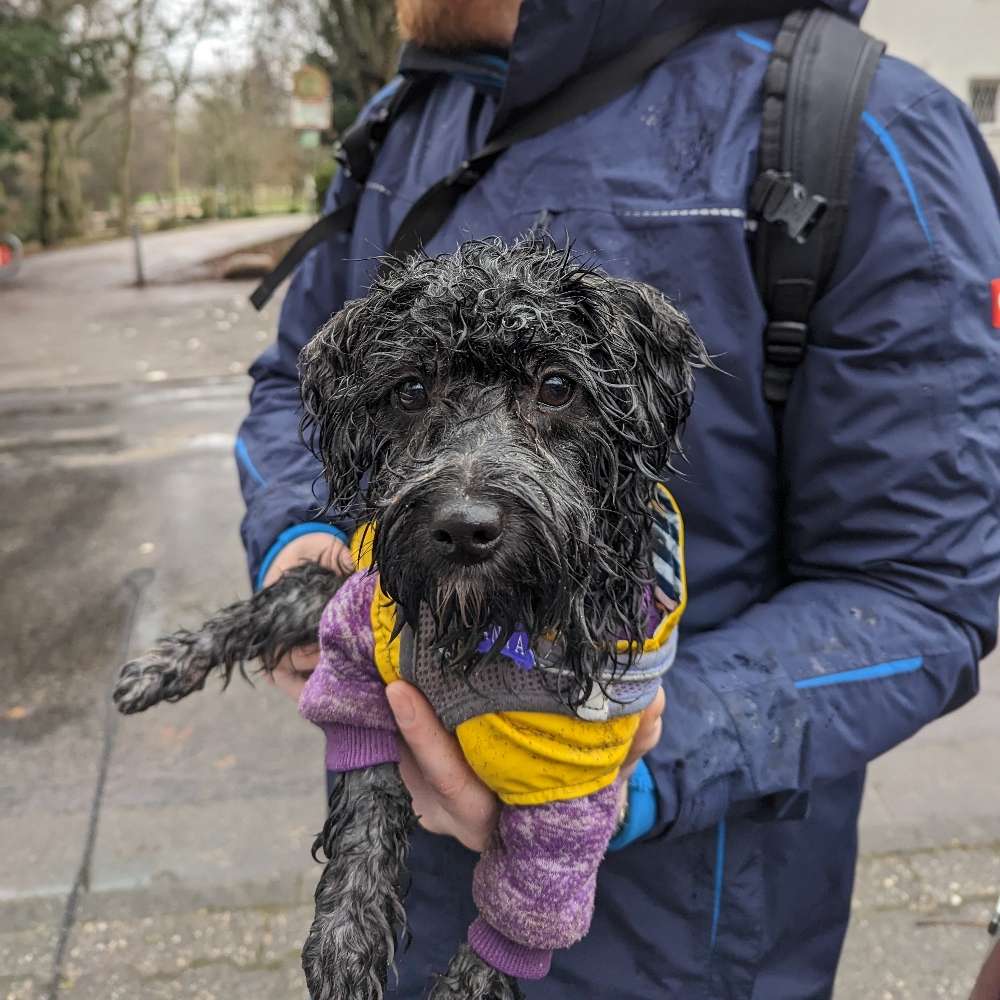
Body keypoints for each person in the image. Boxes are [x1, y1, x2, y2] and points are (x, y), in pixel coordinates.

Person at [236, 1, 1000, 996]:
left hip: (680, 926)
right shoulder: (407, 116)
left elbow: (919, 588)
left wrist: (602, 767)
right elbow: (299, 377)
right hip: (405, 900)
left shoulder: (858, 130)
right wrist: (300, 534)